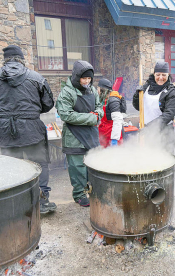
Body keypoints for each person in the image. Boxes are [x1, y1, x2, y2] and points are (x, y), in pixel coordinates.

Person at [0, 45, 56, 214]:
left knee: (11, 166)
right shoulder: (36, 77)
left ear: (5, 60)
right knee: (39, 164)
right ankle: (42, 202)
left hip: (4, 131)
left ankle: (14, 204)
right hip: (32, 130)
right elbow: (48, 104)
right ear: (21, 59)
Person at [55, 60, 103, 207]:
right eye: (84, 78)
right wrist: (92, 118)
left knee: (93, 164)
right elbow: (66, 115)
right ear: (76, 76)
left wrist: (98, 114)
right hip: (73, 135)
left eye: (89, 79)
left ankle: (93, 189)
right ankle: (79, 194)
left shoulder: (92, 90)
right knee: (77, 167)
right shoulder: (67, 92)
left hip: (90, 134)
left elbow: (99, 106)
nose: (87, 81)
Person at [132, 61, 175, 154]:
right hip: (145, 132)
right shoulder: (146, 87)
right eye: (158, 74)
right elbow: (139, 107)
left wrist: (149, 128)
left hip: (164, 134)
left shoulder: (172, 92)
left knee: (164, 163)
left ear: (168, 75)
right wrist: (137, 95)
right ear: (154, 74)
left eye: (163, 75)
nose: (160, 78)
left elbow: (168, 115)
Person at [97, 78, 127, 147]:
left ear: (103, 90)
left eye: (98, 88)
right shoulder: (103, 99)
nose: (97, 91)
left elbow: (117, 120)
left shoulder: (113, 100)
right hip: (103, 136)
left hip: (112, 136)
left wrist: (114, 139)